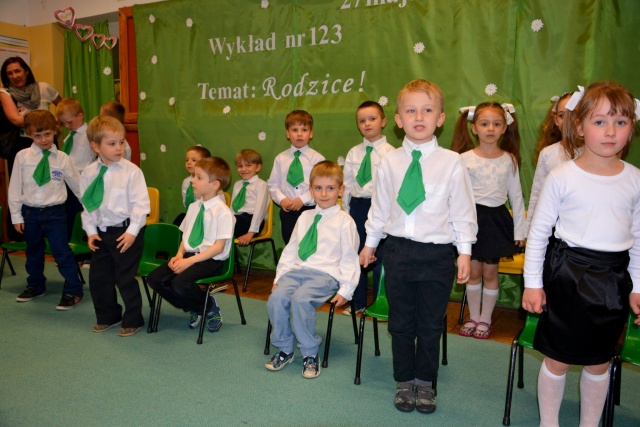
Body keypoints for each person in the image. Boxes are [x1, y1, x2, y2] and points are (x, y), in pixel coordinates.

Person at [522, 81, 640, 427]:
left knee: (599, 361)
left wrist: (637, 286)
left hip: (614, 279)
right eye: (600, 121)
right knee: (558, 359)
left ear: (632, 127)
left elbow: (638, 238)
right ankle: (549, 422)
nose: (610, 131)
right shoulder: (562, 177)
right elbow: (539, 233)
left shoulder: (635, 179)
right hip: (568, 275)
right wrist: (532, 283)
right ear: (579, 126)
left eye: (621, 122)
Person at [360, 79, 477, 414]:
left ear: (440, 118)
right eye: (411, 111)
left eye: (427, 110)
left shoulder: (452, 162)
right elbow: (380, 208)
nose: (419, 117)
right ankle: (404, 380)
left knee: (429, 323)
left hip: (437, 255)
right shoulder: (389, 162)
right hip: (397, 251)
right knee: (400, 322)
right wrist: (370, 244)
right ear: (398, 120)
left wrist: (464, 251)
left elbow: (462, 210)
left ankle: (425, 382)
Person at [265, 161, 359, 378]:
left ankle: (309, 353)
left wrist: (346, 290)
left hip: (326, 275)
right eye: (318, 188)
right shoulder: (304, 217)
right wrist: (279, 277)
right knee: (276, 299)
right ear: (311, 190)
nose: (324, 194)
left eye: (330, 188)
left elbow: (349, 258)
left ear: (341, 190)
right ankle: (285, 348)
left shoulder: (345, 221)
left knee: (301, 299)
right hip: (297, 272)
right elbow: (291, 250)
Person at [450, 102, 526, 339]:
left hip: (496, 222)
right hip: (472, 221)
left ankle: (485, 319)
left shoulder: (509, 160)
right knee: (473, 272)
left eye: (496, 123)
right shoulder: (463, 159)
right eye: (484, 124)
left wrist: (520, 232)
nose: (490, 128)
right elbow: (456, 196)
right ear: (474, 128)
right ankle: (473, 317)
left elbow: (516, 197)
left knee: (490, 273)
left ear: (504, 127)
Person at [80, 116, 150, 337]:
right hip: (102, 233)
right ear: (95, 146)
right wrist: (91, 232)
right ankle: (108, 316)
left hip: (126, 232)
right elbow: (87, 206)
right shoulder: (89, 173)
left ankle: (133, 319)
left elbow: (141, 206)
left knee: (125, 278)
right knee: (99, 278)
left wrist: (131, 233)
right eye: (112, 144)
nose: (119, 147)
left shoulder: (132, 172)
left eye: (121, 142)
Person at [147, 157, 234, 333]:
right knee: (154, 279)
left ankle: (209, 306)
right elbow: (185, 237)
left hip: (210, 260)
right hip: (188, 256)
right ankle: (195, 305)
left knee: (180, 284)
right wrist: (179, 255)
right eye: (194, 176)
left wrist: (189, 262)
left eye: (198, 177)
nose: (192, 180)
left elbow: (218, 248)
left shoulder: (223, 212)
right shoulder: (194, 207)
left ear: (215, 185)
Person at [8, 110, 83, 309]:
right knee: (33, 252)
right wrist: (16, 216)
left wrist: (93, 210)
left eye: (47, 134)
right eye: (38, 135)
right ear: (29, 135)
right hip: (30, 213)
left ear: (55, 131)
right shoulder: (22, 157)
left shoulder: (62, 159)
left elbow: (78, 187)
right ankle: (36, 285)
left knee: (61, 252)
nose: (43, 140)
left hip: (55, 214)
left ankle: (74, 290)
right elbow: (15, 188)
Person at [342, 100, 394, 315]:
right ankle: (358, 303)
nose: (367, 124)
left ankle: (382, 303)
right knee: (357, 255)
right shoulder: (353, 153)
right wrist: (346, 212)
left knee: (381, 257)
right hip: (358, 207)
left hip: (381, 208)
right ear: (358, 125)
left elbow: (393, 187)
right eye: (362, 121)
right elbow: (347, 184)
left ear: (383, 121)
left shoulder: (392, 153)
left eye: (372, 119)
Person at [526, 92, 581, 235]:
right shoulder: (548, 153)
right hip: (553, 224)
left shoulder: (595, 152)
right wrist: (530, 229)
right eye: (562, 115)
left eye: (574, 114)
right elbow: (537, 192)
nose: (568, 121)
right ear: (556, 120)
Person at [267, 110, 325, 244]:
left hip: (311, 209)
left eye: (304, 130)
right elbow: (273, 184)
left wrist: (302, 200)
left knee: (309, 244)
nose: (299, 134)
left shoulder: (317, 159)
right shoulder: (280, 158)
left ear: (311, 134)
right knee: (290, 244)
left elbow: (320, 185)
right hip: (288, 211)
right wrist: (282, 200)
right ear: (287, 134)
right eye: (294, 130)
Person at [0, 56, 61, 174]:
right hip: (22, 143)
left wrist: (59, 120)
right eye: (10, 73)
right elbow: (16, 120)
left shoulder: (44, 88)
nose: (15, 76)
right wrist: (48, 119)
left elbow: (64, 107)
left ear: (26, 71)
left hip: (48, 141)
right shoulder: (5, 92)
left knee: (52, 177)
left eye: (17, 71)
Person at [56, 98, 97, 239]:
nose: (66, 126)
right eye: (63, 123)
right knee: (68, 215)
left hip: (82, 181)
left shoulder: (89, 134)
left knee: (79, 215)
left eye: (69, 122)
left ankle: (83, 243)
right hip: (67, 181)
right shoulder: (71, 135)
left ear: (80, 116)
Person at [230, 149, 269, 246]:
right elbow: (232, 208)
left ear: (258, 167)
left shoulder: (261, 185)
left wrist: (251, 233)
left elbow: (260, 210)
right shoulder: (237, 184)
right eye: (240, 166)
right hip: (238, 219)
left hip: (253, 221)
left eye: (248, 165)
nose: (243, 169)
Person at [173, 145, 211, 225]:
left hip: (205, 216)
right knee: (179, 220)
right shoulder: (186, 182)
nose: (189, 162)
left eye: (194, 160)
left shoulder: (210, 182)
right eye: (187, 160)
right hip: (191, 214)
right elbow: (186, 202)